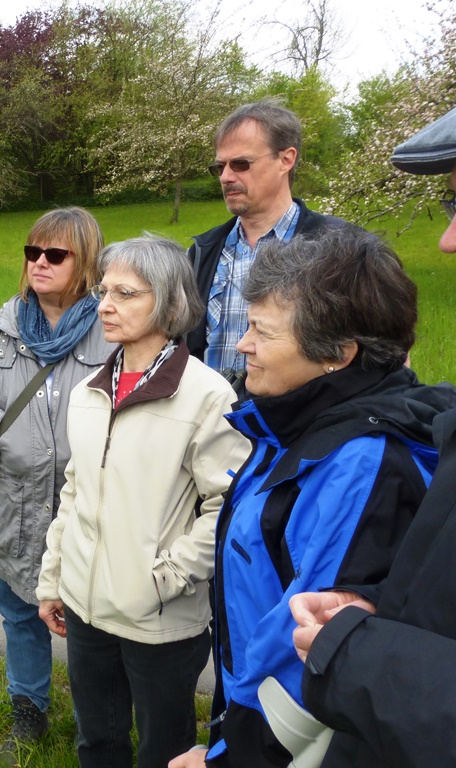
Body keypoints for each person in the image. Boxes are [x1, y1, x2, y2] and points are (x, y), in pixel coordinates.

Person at [170, 228, 456, 768]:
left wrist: (227, 759)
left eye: (262, 331)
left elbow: (306, 655)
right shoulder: (295, 421)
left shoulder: (358, 465)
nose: (242, 344)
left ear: (338, 355)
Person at [35, 235, 250, 768]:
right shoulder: (89, 391)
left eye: (126, 294)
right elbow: (74, 491)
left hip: (158, 621)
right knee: (97, 743)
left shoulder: (206, 395)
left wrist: (165, 579)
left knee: (164, 751)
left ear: (170, 303)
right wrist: (54, 579)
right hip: (84, 610)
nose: (105, 306)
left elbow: (227, 505)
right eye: (104, 291)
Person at [287, 107, 456, 767]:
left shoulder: (365, 455)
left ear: (338, 352)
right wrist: (377, 607)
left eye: (264, 330)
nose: (447, 241)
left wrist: (356, 650)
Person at [0, 206, 113, 762]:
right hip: (16, 500)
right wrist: (2, 431)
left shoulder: (113, 326)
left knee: (94, 615)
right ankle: (28, 709)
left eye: (55, 254)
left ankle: (100, 718)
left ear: (84, 261)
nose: (39, 263)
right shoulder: (1, 325)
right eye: (32, 252)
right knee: (21, 609)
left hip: (90, 503)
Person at [186, 99, 348, 376]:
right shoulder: (202, 252)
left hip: (305, 404)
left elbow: (386, 353)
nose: (225, 177)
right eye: (220, 167)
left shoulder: (340, 248)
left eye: (241, 164)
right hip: (211, 404)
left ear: (286, 160)